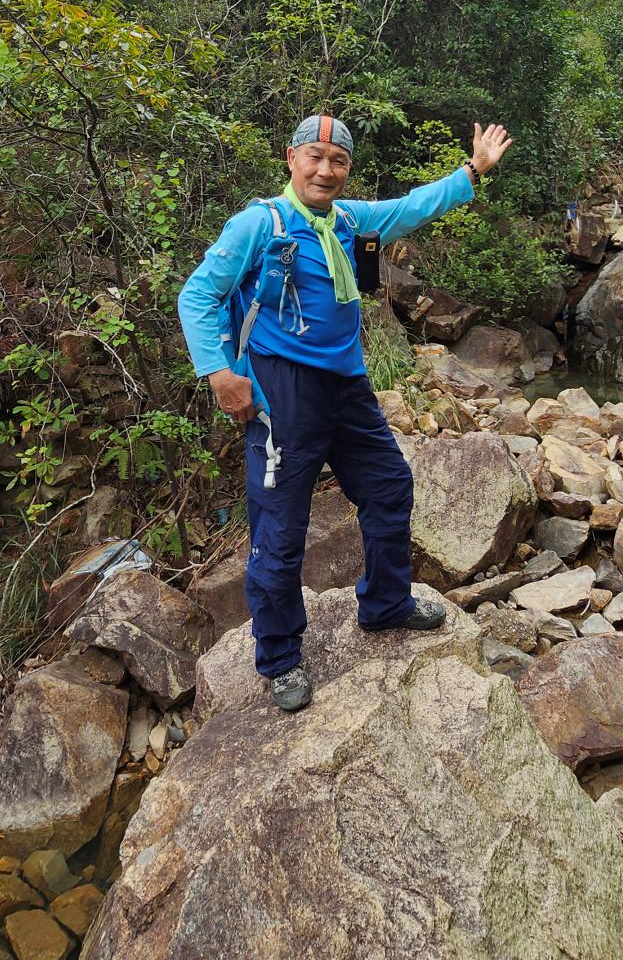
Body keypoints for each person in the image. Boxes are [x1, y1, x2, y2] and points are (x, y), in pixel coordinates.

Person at [178, 113, 512, 712]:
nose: (326, 170)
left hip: (347, 385)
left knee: (389, 485)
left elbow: (411, 207)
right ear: (291, 158)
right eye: (315, 157)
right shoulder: (260, 223)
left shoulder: (349, 220)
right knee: (281, 527)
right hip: (283, 391)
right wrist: (220, 374)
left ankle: (385, 603)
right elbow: (198, 294)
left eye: (338, 161)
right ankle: (279, 658)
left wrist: (474, 171)